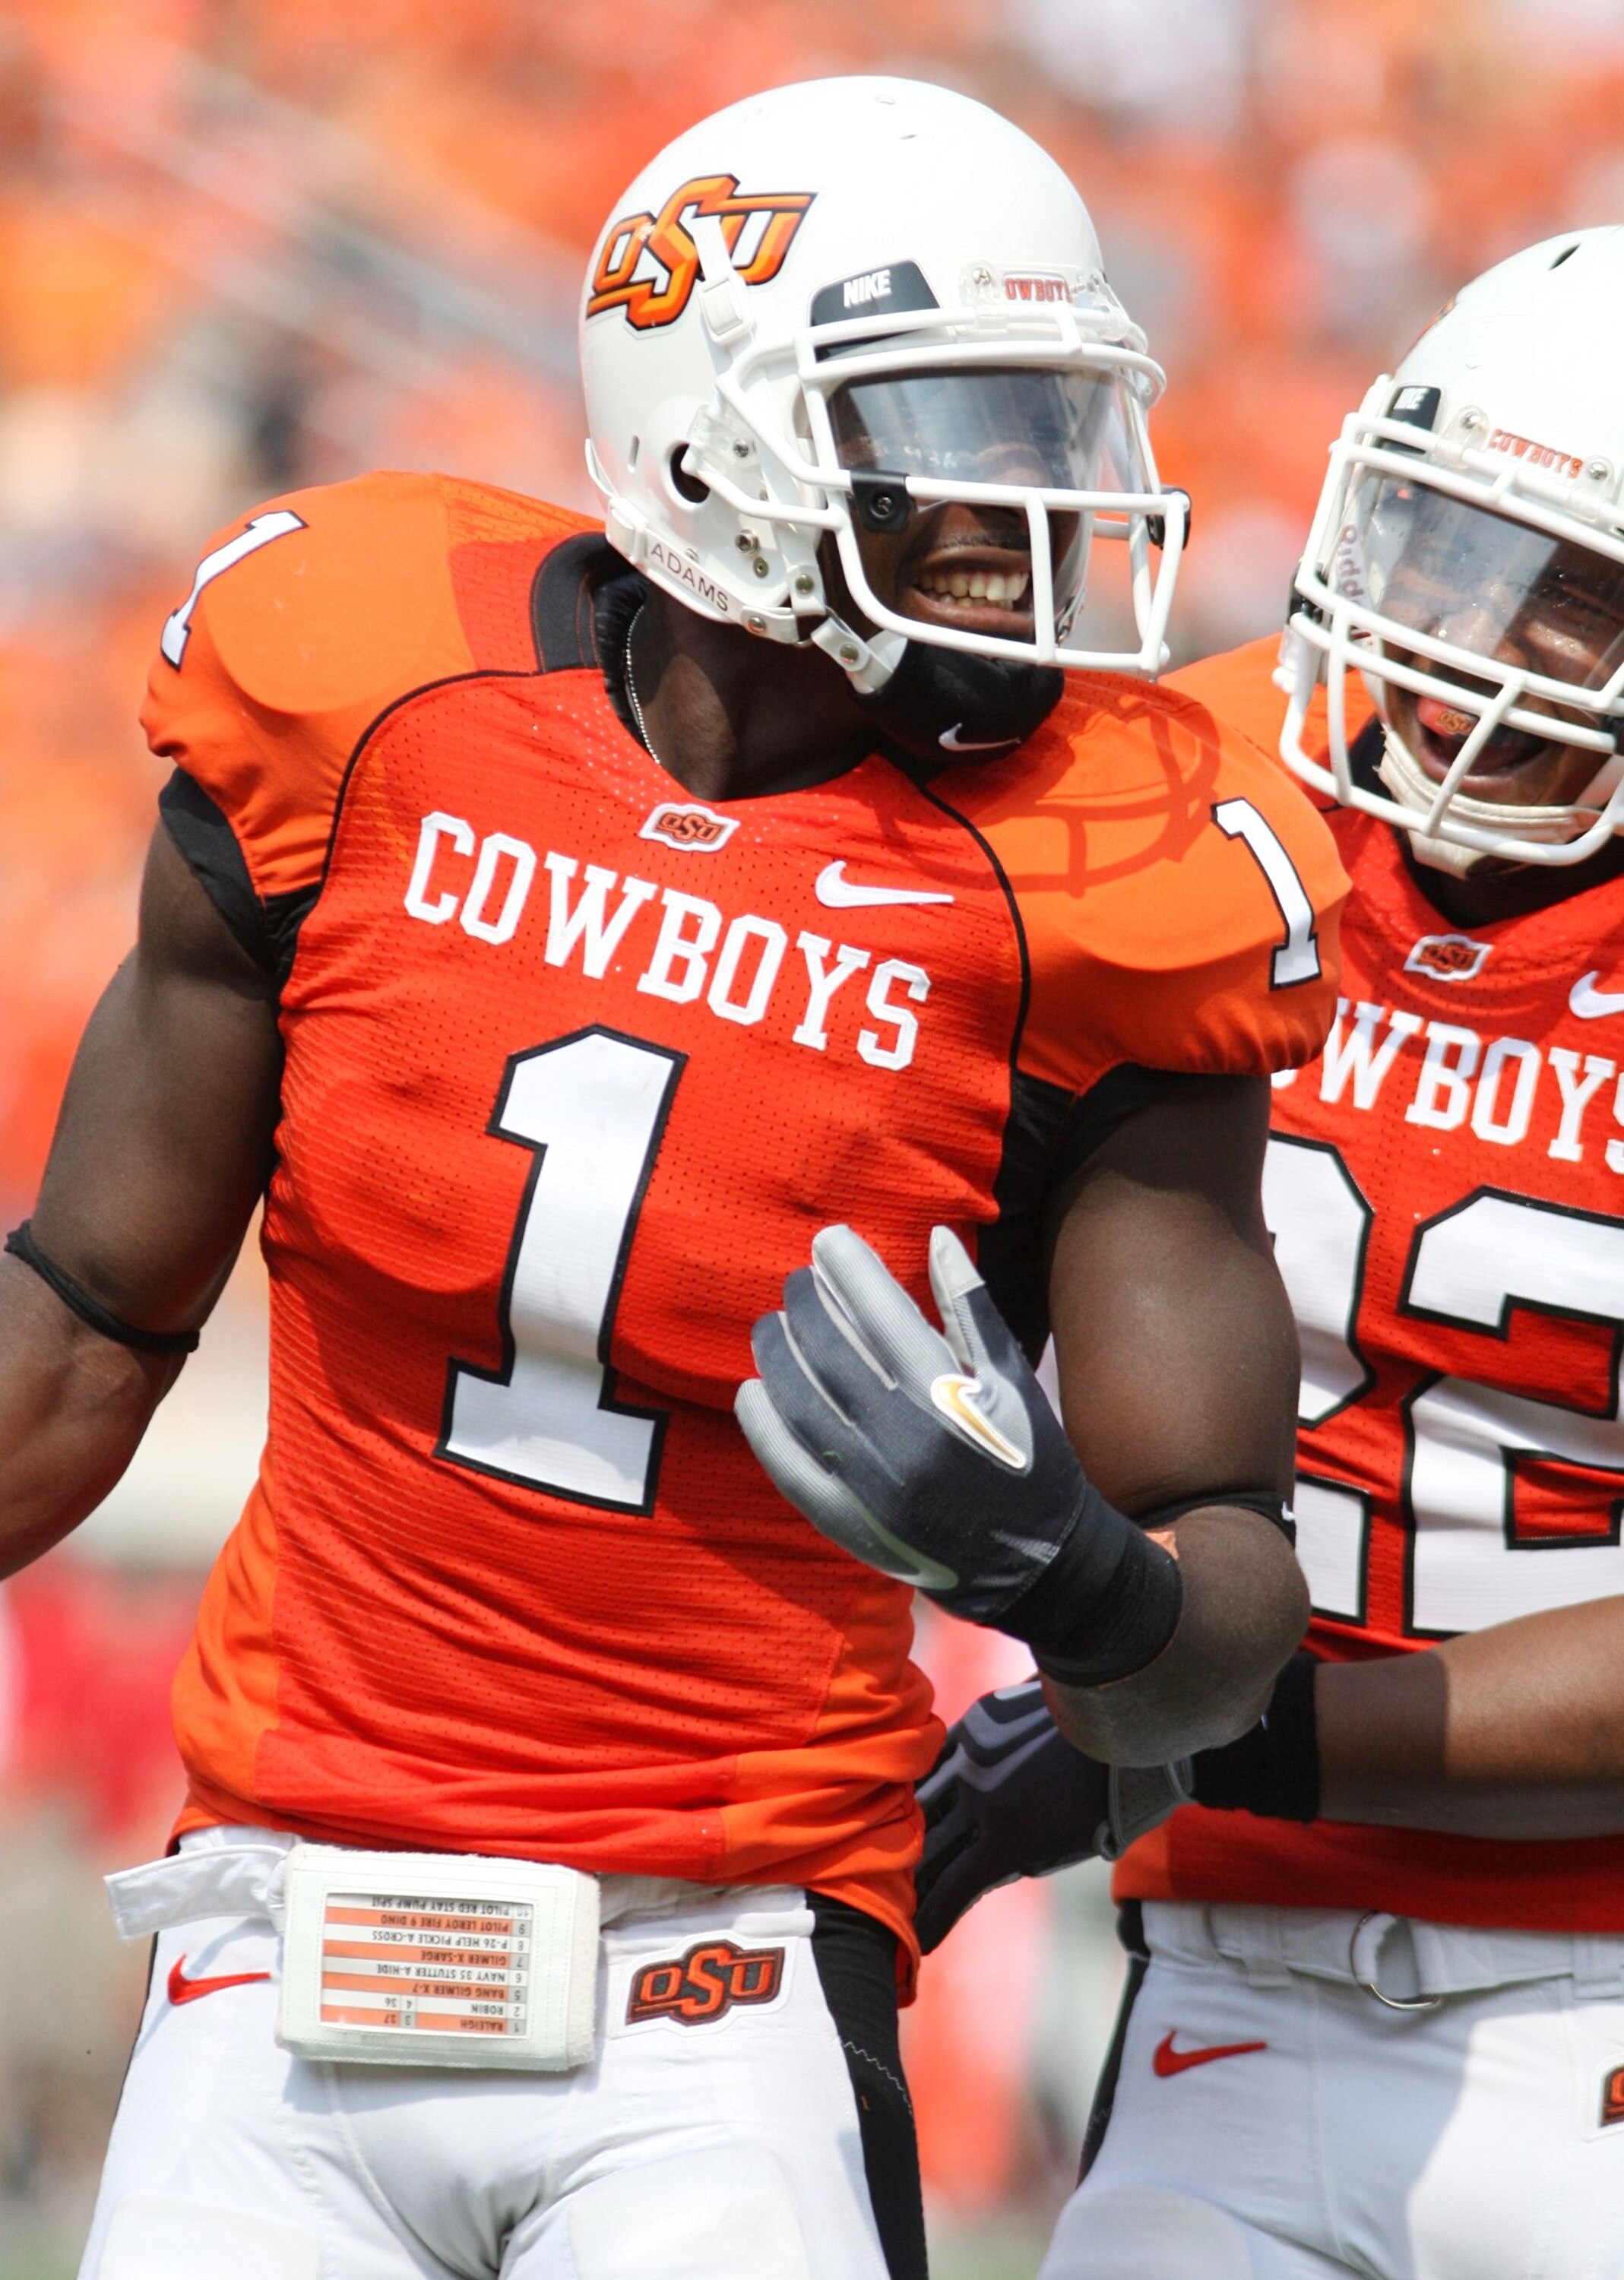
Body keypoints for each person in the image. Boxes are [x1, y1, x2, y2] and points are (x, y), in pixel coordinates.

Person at [0, 76, 1342, 2280]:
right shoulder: (367, 684)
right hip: (278, 1933)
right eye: (960, 444)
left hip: (724, 1976)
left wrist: (1071, 1577)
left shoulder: (1100, 878)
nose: (1039, 519)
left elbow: (1212, 1619)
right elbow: (79, 1327)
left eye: (1052, 431)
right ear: (715, 450)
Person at [917, 226, 1624, 2280]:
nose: (1450, 646)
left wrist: (1188, 1716)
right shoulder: (1198, 803)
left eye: (1557, 606)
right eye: (1431, 547)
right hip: (1226, 1985)